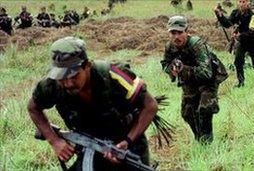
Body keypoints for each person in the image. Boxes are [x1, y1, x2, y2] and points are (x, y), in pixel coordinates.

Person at [28, 37, 158, 170]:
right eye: (62, 78)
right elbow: (33, 108)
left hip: (126, 140)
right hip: (87, 143)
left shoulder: (112, 75)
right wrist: (54, 140)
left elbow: (150, 106)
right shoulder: (51, 84)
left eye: (74, 76)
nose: (68, 83)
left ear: (87, 65)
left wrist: (127, 141)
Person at [161, 16, 225, 144]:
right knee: (187, 113)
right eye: (173, 33)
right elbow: (165, 64)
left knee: (205, 108)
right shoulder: (170, 47)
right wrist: (172, 69)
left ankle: (207, 143)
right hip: (189, 81)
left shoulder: (196, 44)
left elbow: (206, 73)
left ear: (186, 31)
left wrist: (183, 69)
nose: (176, 37)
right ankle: (199, 139)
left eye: (180, 32)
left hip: (208, 80)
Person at [214, 0, 254, 87]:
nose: (241, 4)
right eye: (240, 1)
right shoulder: (236, 13)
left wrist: (239, 35)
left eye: (244, 2)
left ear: (248, 3)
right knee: (238, 61)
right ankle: (241, 82)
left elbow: (253, 31)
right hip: (243, 42)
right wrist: (219, 14)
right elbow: (227, 24)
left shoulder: (252, 15)